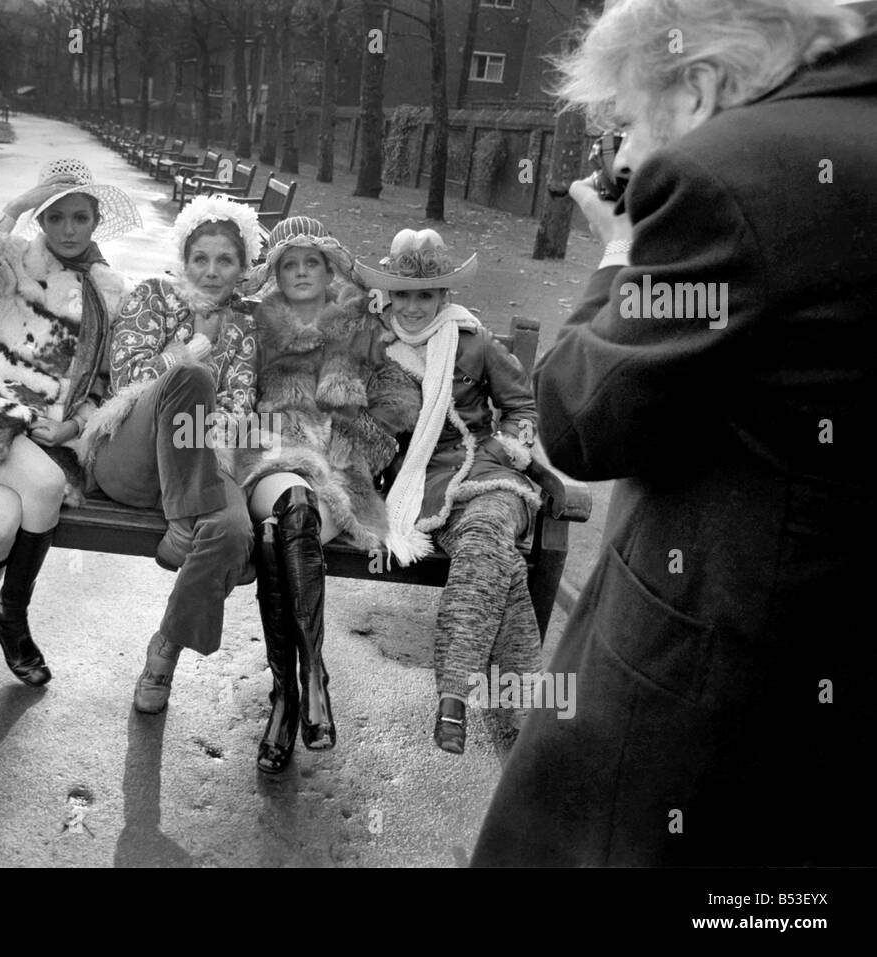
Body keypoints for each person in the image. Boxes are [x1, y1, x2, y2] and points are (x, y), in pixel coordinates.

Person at [472, 0, 875, 866]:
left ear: (697, 86)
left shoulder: (734, 174)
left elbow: (583, 419)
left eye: (625, 124)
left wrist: (618, 257)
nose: (621, 156)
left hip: (700, 699)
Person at [0, 158, 139, 685]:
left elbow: (105, 382)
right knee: (47, 483)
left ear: (96, 220)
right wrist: (13, 208)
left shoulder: (109, 291)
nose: (67, 230)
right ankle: (12, 618)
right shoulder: (14, 260)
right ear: (40, 219)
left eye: (79, 217)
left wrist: (73, 426)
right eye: (54, 217)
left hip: (45, 430)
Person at [229, 216, 419, 773]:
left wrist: (363, 436)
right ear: (276, 274)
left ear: (331, 268)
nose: (303, 271)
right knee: (292, 505)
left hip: (338, 469)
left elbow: (398, 396)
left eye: (313, 261)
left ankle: (287, 697)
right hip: (272, 455)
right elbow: (230, 371)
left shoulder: (362, 326)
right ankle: (315, 677)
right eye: (290, 263)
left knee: (278, 536)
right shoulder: (256, 324)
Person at [357, 229, 542, 756]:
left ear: (445, 297)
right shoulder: (373, 343)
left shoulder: (475, 342)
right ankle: (523, 709)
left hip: (486, 470)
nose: (414, 307)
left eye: (427, 295)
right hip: (416, 484)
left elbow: (521, 406)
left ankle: (452, 699)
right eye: (405, 294)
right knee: (502, 565)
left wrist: (516, 444)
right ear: (389, 295)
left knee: (487, 534)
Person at [77, 195, 261, 714]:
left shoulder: (245, 329)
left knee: (231, 531)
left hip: (201, 457)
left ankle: (165, 651)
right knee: (192, 377)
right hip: (129, 455)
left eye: (225, 260)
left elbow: (239, 407)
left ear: (242, 268)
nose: (210, 271)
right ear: (184, 257)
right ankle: (184, 521)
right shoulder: (152, 296)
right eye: (200, 257)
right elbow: (130, 379)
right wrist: (196, 349)